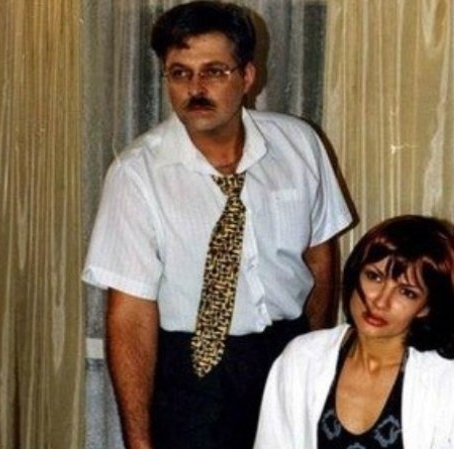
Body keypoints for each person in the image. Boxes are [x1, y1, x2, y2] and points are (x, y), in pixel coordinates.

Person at [82, 2, 352, 449]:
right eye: (180, 73)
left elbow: (320, 258)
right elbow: (129, 316)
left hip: (285, 360)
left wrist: (313, 357)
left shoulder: (300, 146)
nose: (196, 89)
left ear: (247, 76)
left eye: (214, 72)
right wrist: (139, 443)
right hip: (193, 377)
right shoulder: (136, 175)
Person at [253, 215, 454, 449]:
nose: (380, 301)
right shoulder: (302, 359)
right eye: (374, 277)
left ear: (426, 307)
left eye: (407, 292)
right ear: (356, 273)